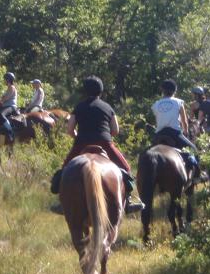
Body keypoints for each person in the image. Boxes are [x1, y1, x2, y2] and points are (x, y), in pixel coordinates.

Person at [50, 76, 143, 213]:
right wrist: (105, 136)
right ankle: (128, 201)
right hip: (104, 143)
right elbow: (115, 130)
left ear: (85, 91)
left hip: (81, 144)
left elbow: (70, 130)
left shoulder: (79, 107)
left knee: (65, 170)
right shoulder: (108, 107)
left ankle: (62, 203)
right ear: (101, 90)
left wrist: (77, 136)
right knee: (126, 168)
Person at [0, 72, 18, 141]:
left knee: (1, 114)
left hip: (11, 106)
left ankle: (10, 130)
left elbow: (6, 98)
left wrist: (0, 101)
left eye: (5, 79)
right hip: (6, 106)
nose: (4, 81)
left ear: (8, 79)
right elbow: (3, 98)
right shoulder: (8, 88)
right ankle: (1, 141)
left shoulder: (12, 87)